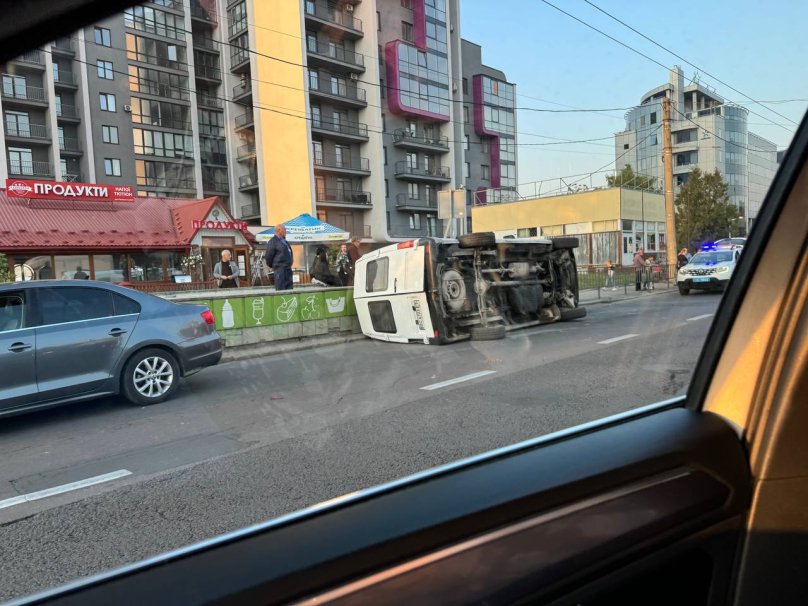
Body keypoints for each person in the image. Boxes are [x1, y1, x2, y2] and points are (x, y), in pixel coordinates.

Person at [264, 224, 294, 291]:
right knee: (281, 288)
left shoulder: (285, 241)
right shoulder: (273, 241)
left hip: (288, 268)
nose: (285, 232)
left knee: (289, 288)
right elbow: (268, 255)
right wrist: (273, 265)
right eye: (284, 230)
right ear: (279, 230)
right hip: (280, 269)